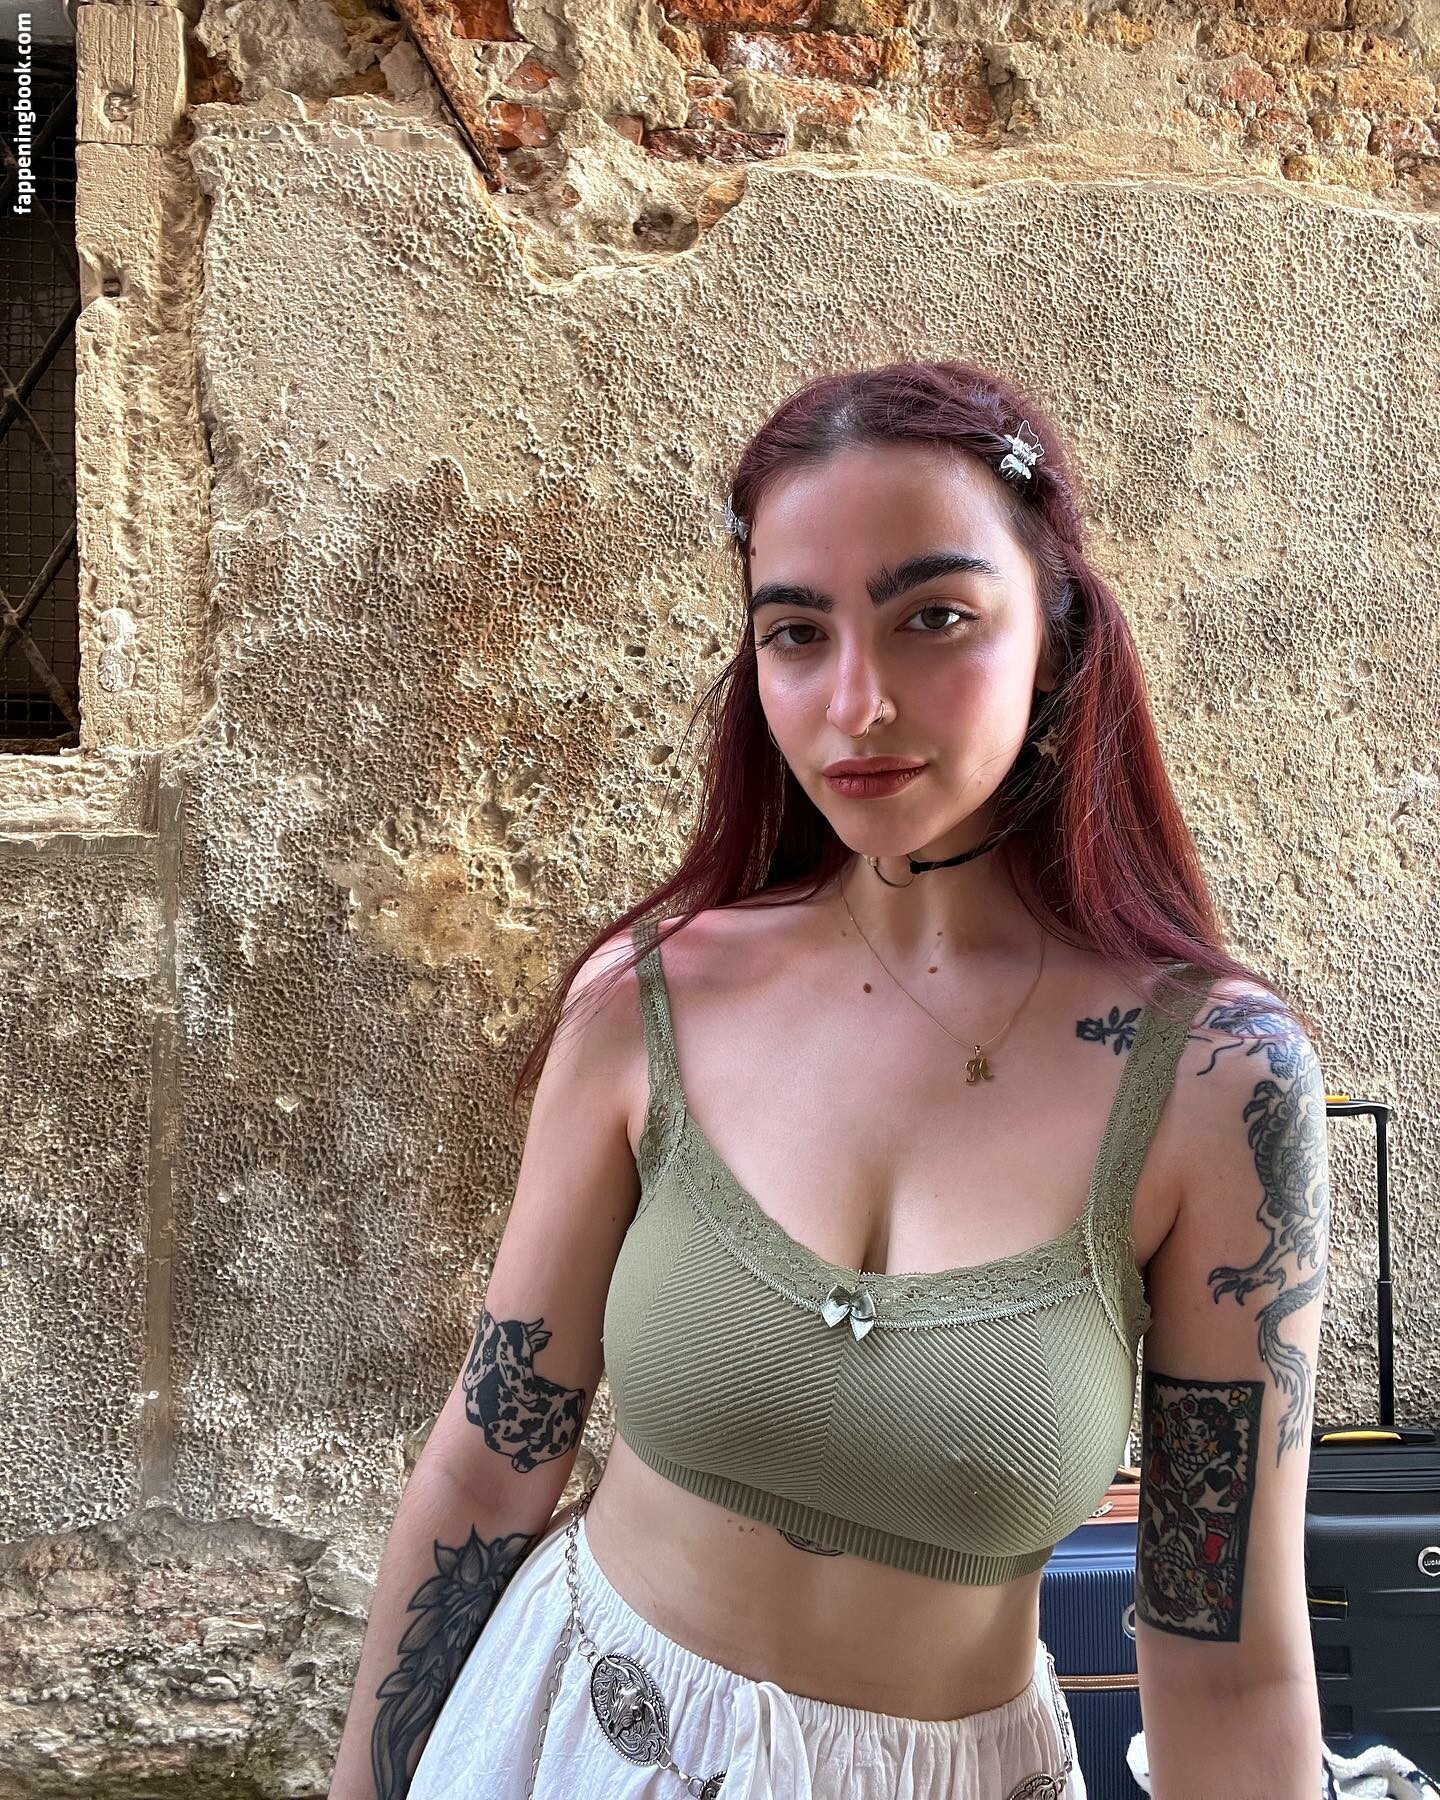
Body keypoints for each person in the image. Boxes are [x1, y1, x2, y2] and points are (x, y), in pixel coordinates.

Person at [329, 360, 1332, 1800]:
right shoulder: (651, 1000)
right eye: (797, 633)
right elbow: (490, 1469)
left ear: (1054, 632)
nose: (858, 704)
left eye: (934, 617)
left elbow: (1228, 1661)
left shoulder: (1217, 1084)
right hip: (563, 1743)